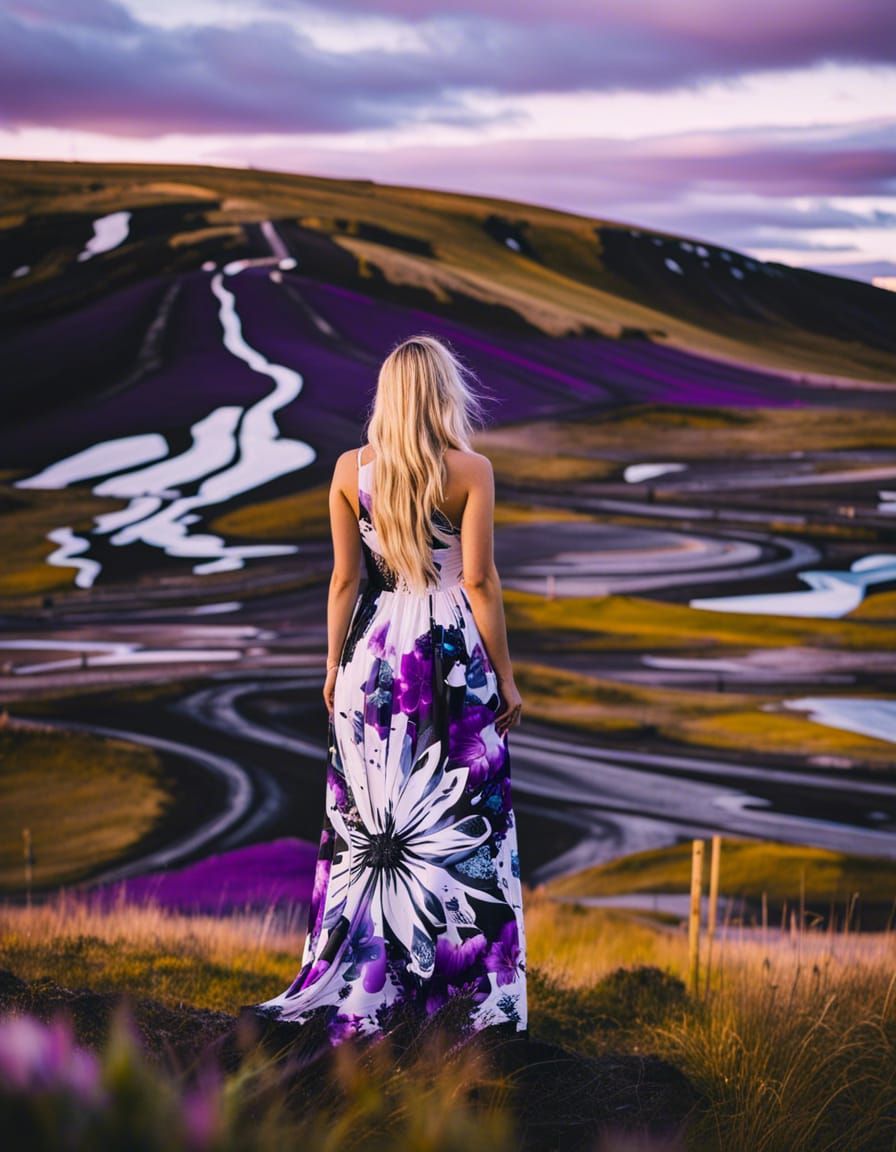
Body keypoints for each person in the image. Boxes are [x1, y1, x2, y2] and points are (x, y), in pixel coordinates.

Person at [244, 334, 527, 1051]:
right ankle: (465, 988)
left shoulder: (349, 471)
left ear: (388, 396)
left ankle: (368, 979)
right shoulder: (472, 472)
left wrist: (334, 665)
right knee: (463, 819)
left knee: (373, 826)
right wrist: (508, 675)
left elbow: (345, 581)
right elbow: (480, 582)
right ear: (442, 393)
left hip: (373, 657)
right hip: (448, 655)